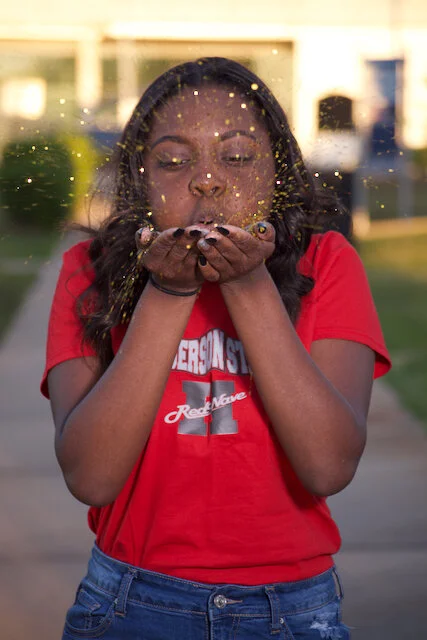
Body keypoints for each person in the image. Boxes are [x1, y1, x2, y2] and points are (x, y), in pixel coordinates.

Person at [41, 57, 391, 640]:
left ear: (275, 172)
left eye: (236, 156)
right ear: (141, 180)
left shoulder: (326, 264)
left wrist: (247, 286)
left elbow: (328, 465)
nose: (206, 179)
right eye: (175, 161)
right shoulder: (90, 272)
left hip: (293, 608)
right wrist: (169, 292)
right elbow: (92, 477)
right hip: (129, 599)